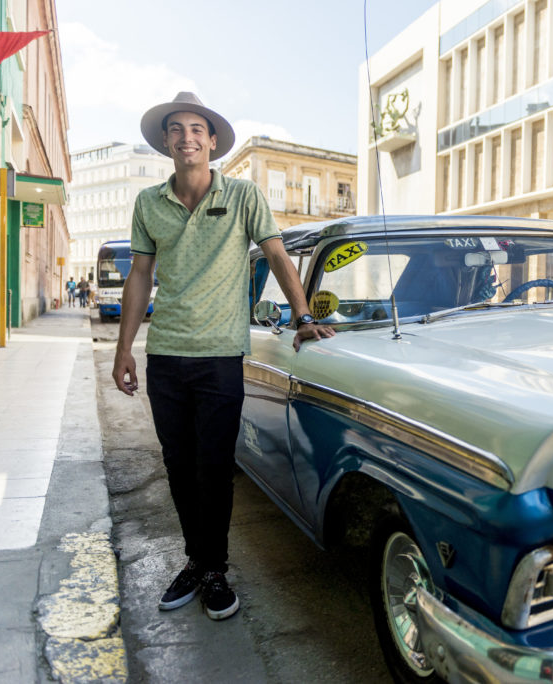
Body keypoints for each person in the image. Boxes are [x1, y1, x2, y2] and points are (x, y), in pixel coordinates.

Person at [111, 92, 334, 621]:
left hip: (218, 358)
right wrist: (125, 348)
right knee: (178, 467)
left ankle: (214, 570)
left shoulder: (243, 196)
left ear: (211, 142)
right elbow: (140, 276)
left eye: (197, 129)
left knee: (213, 468)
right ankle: (197, 560)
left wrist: (303, 318)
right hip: (165, 354)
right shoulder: (149, 203)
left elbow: (278, 256)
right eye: (176, 129)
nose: (187, 137)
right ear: (166, 141)